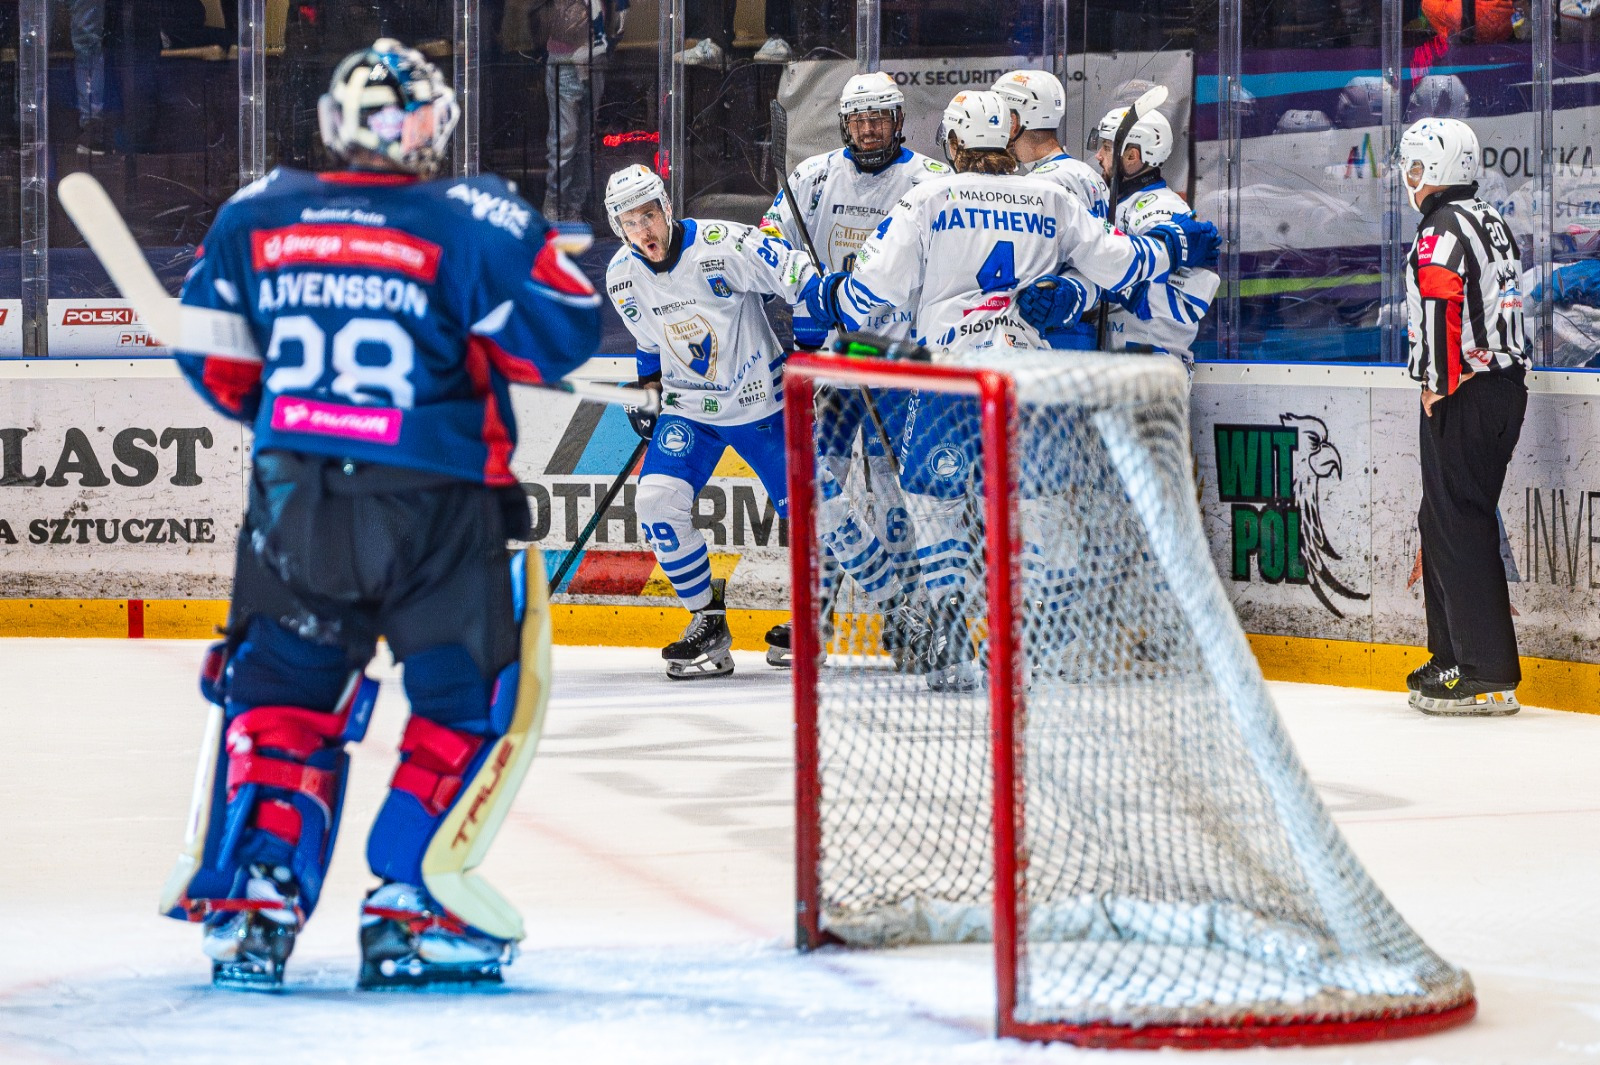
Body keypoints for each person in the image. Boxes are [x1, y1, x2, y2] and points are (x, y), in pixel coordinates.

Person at [164, 39, 603, 990]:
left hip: (295, 506)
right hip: (438, 510)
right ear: (432, 125)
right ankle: (411, 903)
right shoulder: (475, 216)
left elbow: (214, 363)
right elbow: (562, 336)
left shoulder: (256, 211)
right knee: (467, 704)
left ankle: (255, 906)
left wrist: (305, 411)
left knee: (281, 700)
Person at [805, 89, 1219, 688]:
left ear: (952, 143)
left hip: (950, 379)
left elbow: (870, 296)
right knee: (1040, 509)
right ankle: (1048, 644)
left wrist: (826, 295)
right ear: (1008, 137)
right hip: (1027, 379)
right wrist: (1175, 245)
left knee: (938, 508)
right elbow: (1122, 267)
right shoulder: (1053, 199)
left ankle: (951, 637)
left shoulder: (928, 196)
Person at [757, 71, 951, 667]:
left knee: (897, 496)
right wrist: (807, 295)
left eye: (879, 118)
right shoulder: (813, 177)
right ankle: (814, 612)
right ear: (845, 123)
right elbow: (769, 239)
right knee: (821, 490)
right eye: (858, 120)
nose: (868, 131)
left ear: (898, 120)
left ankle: (908, 616)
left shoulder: (929, 182)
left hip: (900, 365)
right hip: (832, 370)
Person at [603, 164, 815, 678]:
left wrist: (809, 355)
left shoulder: (725, 245)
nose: (645, 231)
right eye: (632, 223)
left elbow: (803, 279)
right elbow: (649, 339)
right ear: (618, 228)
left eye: (650, 215)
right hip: (689, 412)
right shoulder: (620, 276)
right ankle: (708, 622)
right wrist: (649, 386)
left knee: (819, 518)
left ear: (667, 207)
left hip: (761, 407)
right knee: (655, 501)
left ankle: (820, 619)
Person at [1398, 117, 1529, 716]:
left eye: (1418, 167)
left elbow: (1441, 301)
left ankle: (1484, 671)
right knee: (1443, 520)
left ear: (1444, 169)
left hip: (1467, 392)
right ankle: (1452, 655)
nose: (1410, 178)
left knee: (1460, 522)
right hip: (1500, 389)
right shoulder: (1489, 219)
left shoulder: (1440, 228)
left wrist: (1438, 383)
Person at [1085, 104, 1220, 370]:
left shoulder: (1161, 208)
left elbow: (1188, 297)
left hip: (1151, 364)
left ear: (1133, 155)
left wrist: (1123, 284)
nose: (1098, 155)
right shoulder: (1114, 203)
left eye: (1107, 147)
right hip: (1120, 363)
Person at [992, 68, 1109, 349]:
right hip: (1080, 331)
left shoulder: (1041, 185)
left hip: (1049, 335)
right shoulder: (1085, 174)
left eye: (997, 117)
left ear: (1014, 121)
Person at [534, 0, 628, 222]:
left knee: (583, 139)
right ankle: (556, 205)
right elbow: (552, 20)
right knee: (566, 137)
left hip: (594, 56)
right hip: (567, 58)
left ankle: (573, 206)